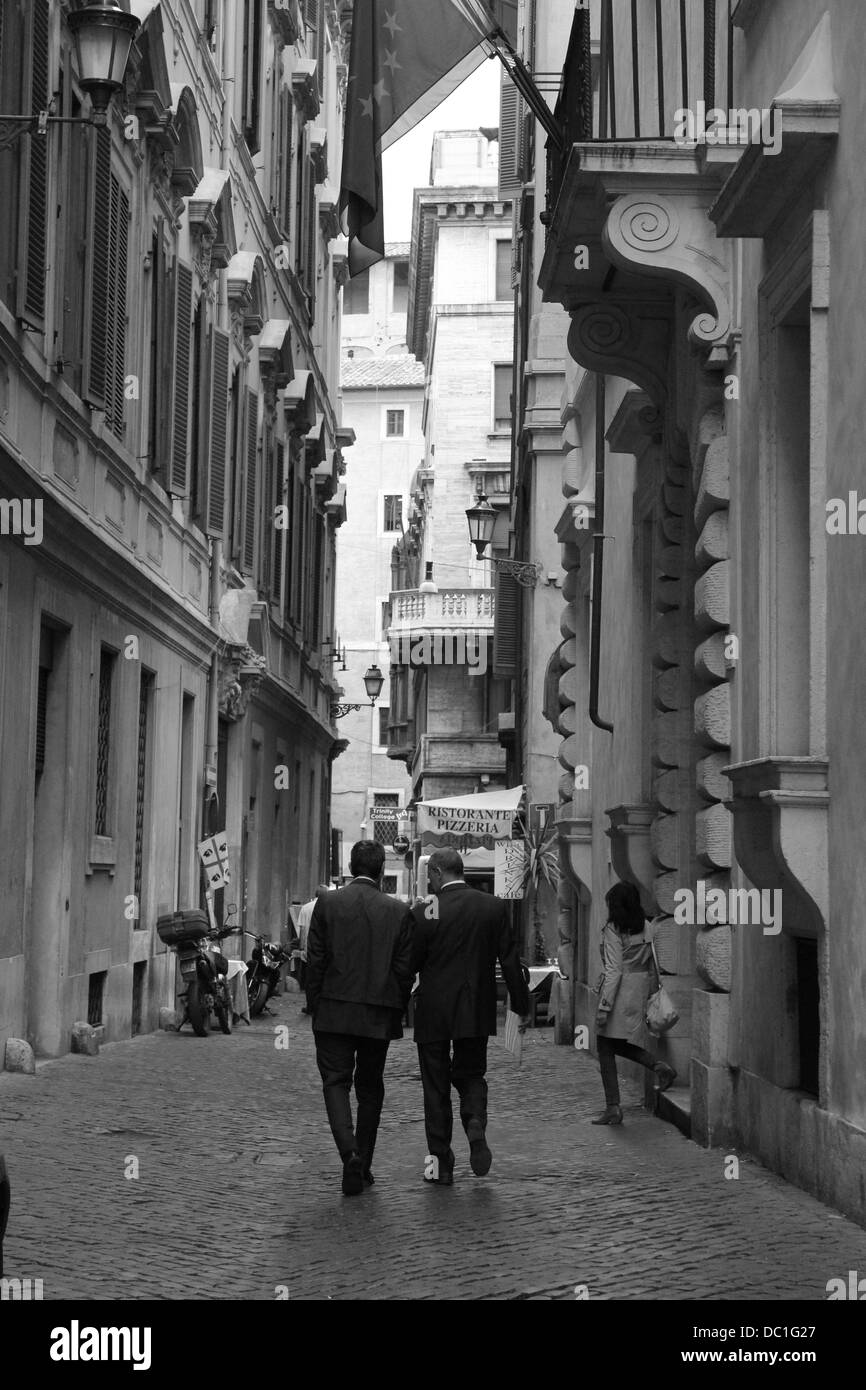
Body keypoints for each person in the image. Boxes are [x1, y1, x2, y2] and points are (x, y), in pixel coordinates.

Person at [411, 848, 530, 1185]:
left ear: (435, 872)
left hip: (433, 1011)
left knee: (435, 1087)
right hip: (474, 1007)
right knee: (472, 1073)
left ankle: (441, 1164)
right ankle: (474, 1120)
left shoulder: (426, 911)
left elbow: (410, 963)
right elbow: (510, 961)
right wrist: (519, 1006)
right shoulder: (491, 907)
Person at [306, 842, 414, 1196]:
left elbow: (315, 960)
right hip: (377, 1014)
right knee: (370, 1089)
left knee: (335, 1083)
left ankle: (348, 1152)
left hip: (334, 1011)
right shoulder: (398, 912)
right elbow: (403, 969)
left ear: (351, 867)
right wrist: (395, 1007)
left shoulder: (329, 904)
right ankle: (362, 1163)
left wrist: (315, 1004)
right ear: (382, 870)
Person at [592, 881, 677, 1124]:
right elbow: (653, 964)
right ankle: (658, 1067)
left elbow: (613, 970)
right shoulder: (647, 927)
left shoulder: (613, 929)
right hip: (638, 990)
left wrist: (604, 1005)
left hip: (618, 993)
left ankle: (613, 1107)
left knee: (604, 1046)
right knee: (613, 1044)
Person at [296, 885, 330, 1014]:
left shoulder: (305, 907)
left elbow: (303, 930)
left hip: (309, 948)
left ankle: (310, 1005)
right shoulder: (328, 908)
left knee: (309, 979)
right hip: (324, 948)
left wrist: (302, 948)